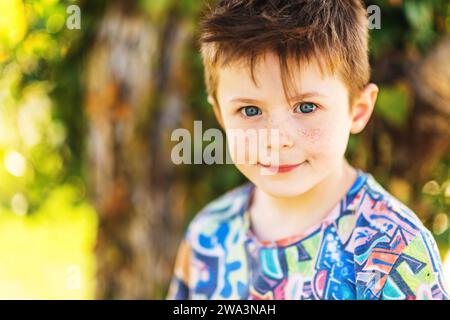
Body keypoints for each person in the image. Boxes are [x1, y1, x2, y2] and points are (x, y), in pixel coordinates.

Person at [166, 0, 449, 300]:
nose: (275, 140)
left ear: (358, 110)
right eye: (249, 110)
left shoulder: (394, 250)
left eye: (306, 107)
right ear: (221, 116)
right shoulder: (208, 236)